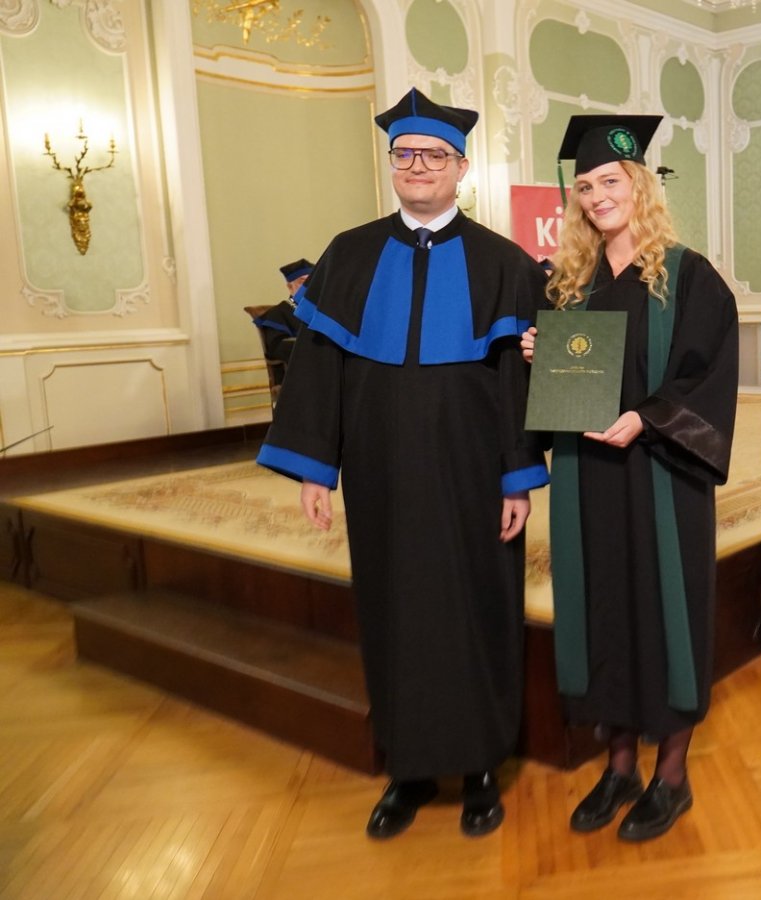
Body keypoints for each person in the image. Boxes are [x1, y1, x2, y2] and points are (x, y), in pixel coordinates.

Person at [256, 88, 548, 840]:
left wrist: (518, 475)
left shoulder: (504, 263)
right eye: (405, 154)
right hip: (380, 471)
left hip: (474, 472)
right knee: (394, 613)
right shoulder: (349, 254)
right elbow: (319, 369)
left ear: (461, 168)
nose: (418, 166)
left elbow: (516, 381)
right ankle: (407, 770)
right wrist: (316, 468)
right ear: (392, 164)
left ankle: (481, 768)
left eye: (434, 155)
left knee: (478, 608)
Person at [520, 114, 738, 842]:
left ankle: (671, 775)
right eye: (584, 187)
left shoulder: (687, 275)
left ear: (639, 184)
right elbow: (564, 382)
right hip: (589, 479)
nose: (597, 196)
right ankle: (617, 767)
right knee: (603, 611)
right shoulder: (569, 284)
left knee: (664, 612)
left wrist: (646, 418)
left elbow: (706, 375)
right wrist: (538, 354)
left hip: (661, 475)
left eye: (610, 181)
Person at [250, 258, 312, 384]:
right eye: (303, 282)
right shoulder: (278, 313)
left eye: (312, 281)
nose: (308, 286)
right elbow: (277, 347)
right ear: (290, 287)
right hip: (300, 376)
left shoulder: (323, 312)